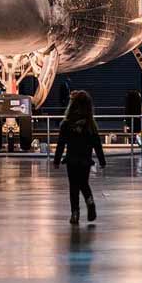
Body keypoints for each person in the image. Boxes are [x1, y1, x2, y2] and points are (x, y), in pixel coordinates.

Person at [53, 90, 106, 224]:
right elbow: (97, 144)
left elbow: (61, 143)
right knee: (84, 183)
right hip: (85, 160)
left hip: (72, 159)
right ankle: (90, 203)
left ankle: (75, 214)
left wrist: (57, 160)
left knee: (73, 187)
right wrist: (102, 160)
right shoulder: (90, 124)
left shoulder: (66, 124)